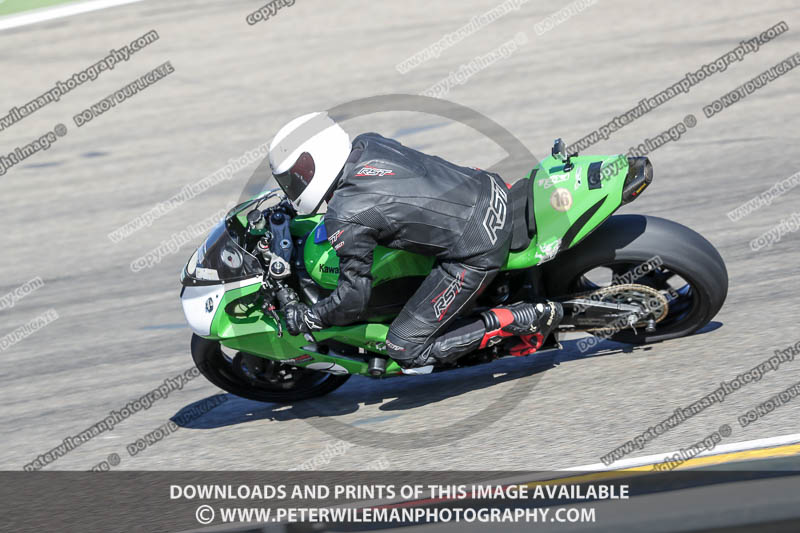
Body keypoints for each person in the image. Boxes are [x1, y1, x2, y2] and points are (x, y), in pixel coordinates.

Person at [269, 112, 562, 370]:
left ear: (317, 158)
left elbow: (354, 298)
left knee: (404, 347)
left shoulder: (346, 215)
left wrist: (312, 318)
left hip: (478, 245)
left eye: (296, 177)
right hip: (490, 190)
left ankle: (518, 318)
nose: (293, 185)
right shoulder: (368, 143)